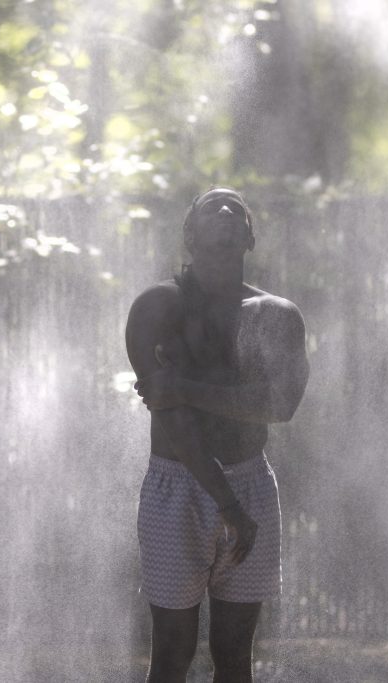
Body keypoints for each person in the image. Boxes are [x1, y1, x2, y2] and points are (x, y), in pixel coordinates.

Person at [125, 187, 309, 682]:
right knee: (173, 650)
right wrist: (226, 504)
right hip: (177, 485)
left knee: (233, 652)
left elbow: (280, 405)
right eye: (211, 208)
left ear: (250, 236)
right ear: (189, 235)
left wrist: (183, 386)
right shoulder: (157, 306)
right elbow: (172, 420)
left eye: (238, 210)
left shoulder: (277, 315)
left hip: (251, 481)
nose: (226, 211)